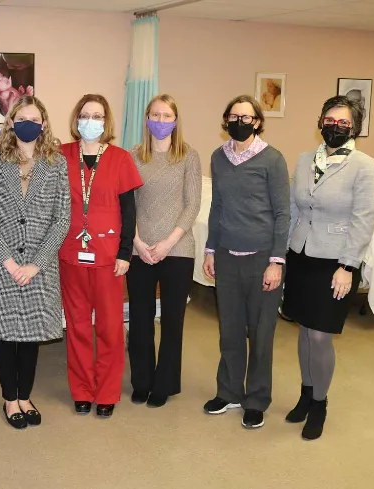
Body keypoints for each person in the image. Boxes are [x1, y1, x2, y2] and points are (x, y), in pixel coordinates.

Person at [282, 96, 374, 440]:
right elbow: (294, 209)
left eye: (343, 122)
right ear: (320, 121)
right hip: (302, 255)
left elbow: (364, 220)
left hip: (337, 261)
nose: (335, 126)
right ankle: (306, 393)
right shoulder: (305, 159)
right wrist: (282, 255)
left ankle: (320, 403)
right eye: (329, 119)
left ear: (354, 128)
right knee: (305, 330)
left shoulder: (365, 166)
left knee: (321, 334)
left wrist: (348, 266)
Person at [0, 96, 70, 429]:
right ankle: (9, 398)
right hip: (2, 264)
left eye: (35, 118)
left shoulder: (57, 163)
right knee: (5, 334)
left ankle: (25, 395)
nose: (29, 123)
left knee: (30, 336)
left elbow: (62, 219)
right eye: (22, 117)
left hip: (40, 266)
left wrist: (37, 263)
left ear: (43, 123)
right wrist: (9, 261)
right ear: (12, 122)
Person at [202, 95, 290, 429]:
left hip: (262, 259)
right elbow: (217, 208)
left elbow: (283, 213)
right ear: (226, 120)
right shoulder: (218, 157)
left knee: (261, 332)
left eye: (247, 116)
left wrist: (276, 261)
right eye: (234, 116)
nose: (240, 121)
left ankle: (256, 399)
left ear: (257, 121)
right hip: (226, 256)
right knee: (230, 329)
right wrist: (210, 250)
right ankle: (228, 392)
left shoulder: (273, 160)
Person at [59, 94, 143, 419]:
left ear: (106, 121)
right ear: (76, 119)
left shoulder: (121, 159)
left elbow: (129, 209)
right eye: (85, 114)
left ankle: (107, 391)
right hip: (70, 254)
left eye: (96, 115)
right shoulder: (61, 155)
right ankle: (82, 390)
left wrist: (126, 252)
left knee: (109, 328)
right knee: (78, 326)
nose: (90, 121)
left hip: (109, 257)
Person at [128, 94, 201, 408]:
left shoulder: (188, 156)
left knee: (173, 320)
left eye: (166, 115)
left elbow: (192, 204)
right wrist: (137, 243)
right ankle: (142, 380)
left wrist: (168, 243)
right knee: (140, 320)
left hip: (178, 249)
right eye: (154, 115)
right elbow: (126, 206)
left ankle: (165, 382)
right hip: (139, 249)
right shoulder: (132, 156)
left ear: (175, 120)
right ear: (146, 119)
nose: (160, 121)